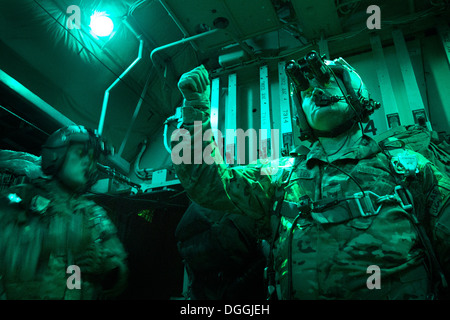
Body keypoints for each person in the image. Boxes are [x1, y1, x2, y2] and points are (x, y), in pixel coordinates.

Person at [171, 52, 450, 299]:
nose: (315, 92)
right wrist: (195, 109)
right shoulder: (280, 175)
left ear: (356, 93)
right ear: (301, 114)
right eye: (306, 91)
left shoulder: (405, 166)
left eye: (326, 81)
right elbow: (209, 184)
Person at [0, 125, 128, 299]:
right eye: (81, 153)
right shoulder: (20, 198)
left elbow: (119, 272)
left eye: (92, 158)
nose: (88, 163)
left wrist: (104, 267)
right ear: (56, 153)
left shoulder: (95, 214)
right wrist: (54, 238)